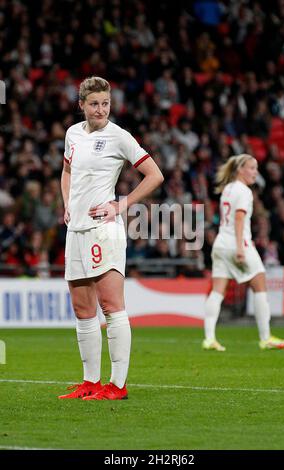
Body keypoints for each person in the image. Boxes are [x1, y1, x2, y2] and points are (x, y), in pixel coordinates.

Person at [59, 76, 164, 400]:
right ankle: (90, 381)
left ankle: (117, 385)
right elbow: (67, 172)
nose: (101, 109)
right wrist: (67, 205)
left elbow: (155, 175)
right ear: (82, 105)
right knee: (82, 308)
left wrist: (122, 204)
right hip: (75, 229)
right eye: (94, 104)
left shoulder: (119, 136)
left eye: (105, 103)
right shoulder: (72, 134)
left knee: (110, 305)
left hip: (103, 230)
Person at [202, 154, 284, 351]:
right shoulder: (244, 191)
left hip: (221, 243)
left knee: (217, 291)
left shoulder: (227, 188)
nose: (255, 173)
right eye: (252, 168)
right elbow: (239, 218)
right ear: (240, 169)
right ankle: (265, 338)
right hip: (237, 242)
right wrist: (241, 248)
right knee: (259, 283)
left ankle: (209, 338)